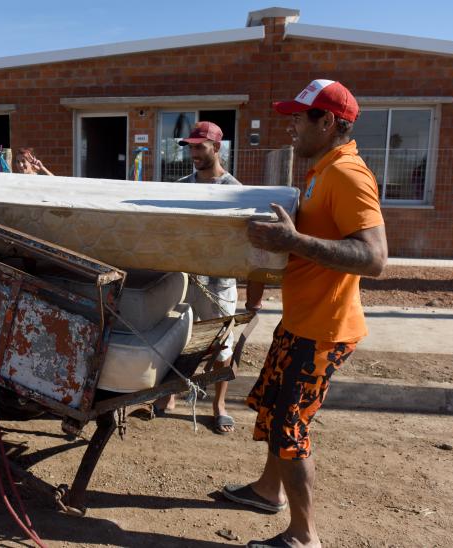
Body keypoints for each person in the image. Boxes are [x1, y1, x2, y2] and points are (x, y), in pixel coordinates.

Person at [224, 80, 388, 548]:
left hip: (324, 328)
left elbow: (374, 258)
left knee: (289, 423)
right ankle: (266, 491)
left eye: (300, 117)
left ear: (329, 122)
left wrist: (293, 242)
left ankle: (304, 536)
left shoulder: (348, 175)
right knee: (276, 409)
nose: (291, 125)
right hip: (303, 319)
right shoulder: (322, 169)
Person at [156, 121, 242, 434]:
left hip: (219, 285)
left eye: (200, 146)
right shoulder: (182, 186)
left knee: (222, 347)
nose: (193, 152)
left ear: (217, 148)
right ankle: (170, 395)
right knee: (179, 338)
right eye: (190, 147)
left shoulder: (236, 191)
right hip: (186, 281)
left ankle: (219, 405)